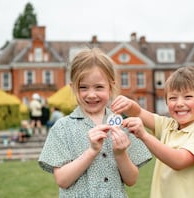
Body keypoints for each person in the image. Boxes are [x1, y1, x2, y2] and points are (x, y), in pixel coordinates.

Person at [38, 48, 152, 197]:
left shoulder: (123, 125)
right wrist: (92, 152)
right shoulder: (62, 127)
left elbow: (131, 180)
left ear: (111, 87)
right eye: (83, 87)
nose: (91, 94)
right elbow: (62, 180)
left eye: (99, 87)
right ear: (73, 88)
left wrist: (120, 153)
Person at [111, 66, 194, 198]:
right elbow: (139, 112)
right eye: (173, 98)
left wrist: (144, 136)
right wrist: (129, 105)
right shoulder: (168, 125)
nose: (179, 103)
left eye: (188, 97)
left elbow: (179, 161)